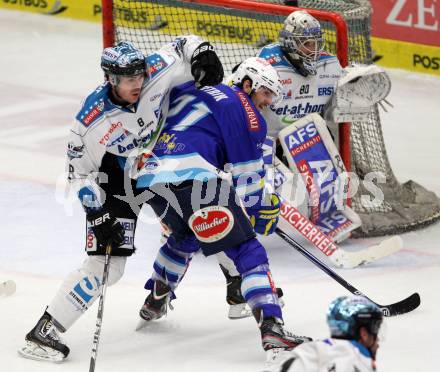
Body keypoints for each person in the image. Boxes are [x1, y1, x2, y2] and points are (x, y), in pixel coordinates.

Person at [18, 37, 223, 363]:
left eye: (139, 77)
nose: (137, 85)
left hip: (162, 161)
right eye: (128, 80)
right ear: (110, 79)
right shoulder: (89, 122)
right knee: (107, 266)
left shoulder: (155, 70)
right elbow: (79, 175)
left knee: (208, 215)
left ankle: (222, 286)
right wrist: (98, 217)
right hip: (115, 178)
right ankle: (45, 330)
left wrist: (203, 55)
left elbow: (185, 43)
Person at [135, 57, 312, 351]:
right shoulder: (242, 108)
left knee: (185, 236)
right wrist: (259, 210)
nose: (267, 102)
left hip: (150, 179)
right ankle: (272, 328)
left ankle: (156, 298)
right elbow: (247, 174)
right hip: (194, 180)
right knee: (247, 248)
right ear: (247, 84)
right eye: (265, 92)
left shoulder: (192, 86)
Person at [264, 295, 384, 371]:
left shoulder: (312, 351)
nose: (378, 341)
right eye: (375, 331)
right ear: (363, 333)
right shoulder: (349, 361)